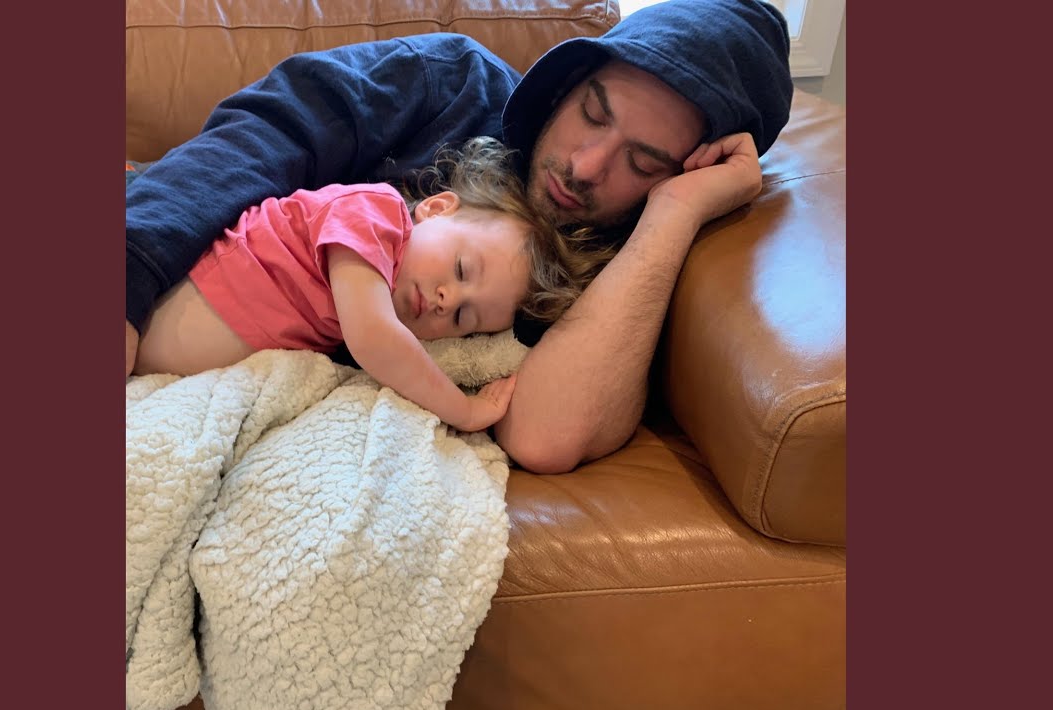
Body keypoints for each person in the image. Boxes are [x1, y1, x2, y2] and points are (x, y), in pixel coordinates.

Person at [125, 0, 794, 472]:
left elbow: (545, 437)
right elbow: (264, 135)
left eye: (643, 164)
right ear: (567, 85)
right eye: (593, 114)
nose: (586, 167)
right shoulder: (447, 79)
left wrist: (675, 213)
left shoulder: (627, 259)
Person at [132, 138, 594, 433]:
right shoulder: (374, 213)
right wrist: (465, 411)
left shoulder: (361, 313)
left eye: (462, 318)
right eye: (461, 268)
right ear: (436, 209)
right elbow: (375, 338)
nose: (447, 299)